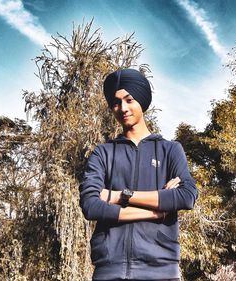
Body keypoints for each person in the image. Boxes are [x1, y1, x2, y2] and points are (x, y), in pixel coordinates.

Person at [79, 68, 198, 281]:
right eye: (116, 103)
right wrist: (155, 211)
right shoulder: (103, 153)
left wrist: (120, 196)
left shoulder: (170, 150)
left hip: (161, 270)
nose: (122, 108)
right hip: (109, 270)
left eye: (129, 99)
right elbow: (90, 204)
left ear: (141, 100)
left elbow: (186, 196)